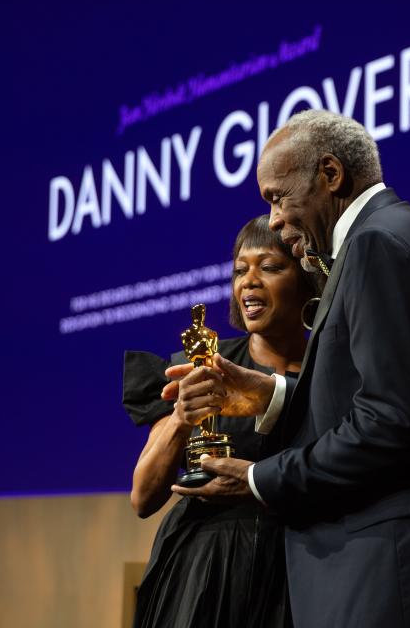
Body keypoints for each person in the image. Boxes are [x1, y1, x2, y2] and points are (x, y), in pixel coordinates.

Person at [167, 110, 410, 627]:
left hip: (402, 568)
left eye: (278, 198)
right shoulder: (402, 234)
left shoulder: (378, 245)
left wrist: (259, 477)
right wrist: (273, 395)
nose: (278, 224)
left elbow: (390, 423)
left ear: (331, 175)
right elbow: (387, 396)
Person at [121, 215, 318, 628]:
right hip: (206, 573)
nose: (249, 281)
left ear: (305, 280)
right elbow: (143, 497)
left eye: (269, 267)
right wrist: (180, 416)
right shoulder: (202, 365)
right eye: (240, 270)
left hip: (302, 570)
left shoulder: (328, 375)